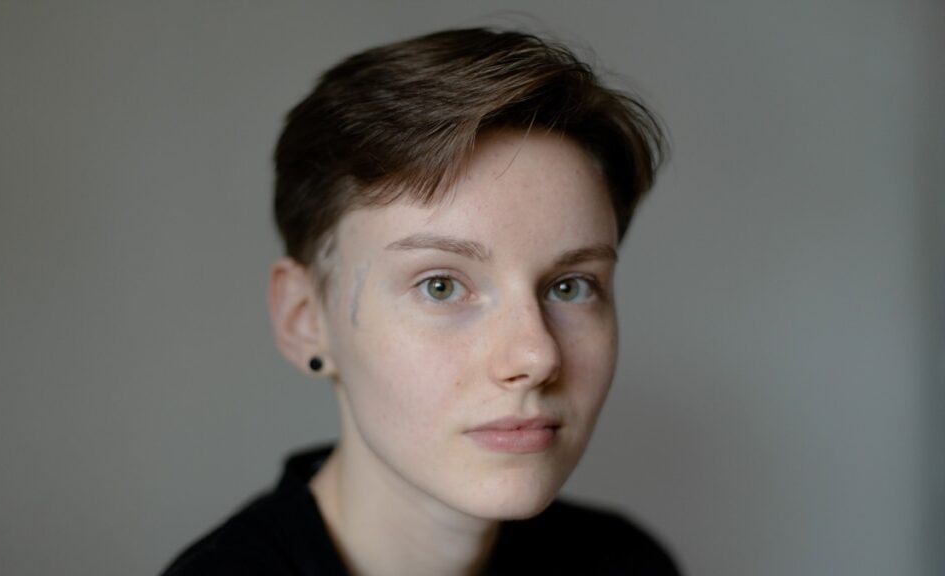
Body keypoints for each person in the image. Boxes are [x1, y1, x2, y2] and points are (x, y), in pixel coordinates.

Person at [162, 27, 678, 575]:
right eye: (441, 286)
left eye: (569, 286)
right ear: (305, 319)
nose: (537, 356)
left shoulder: (627, 563)